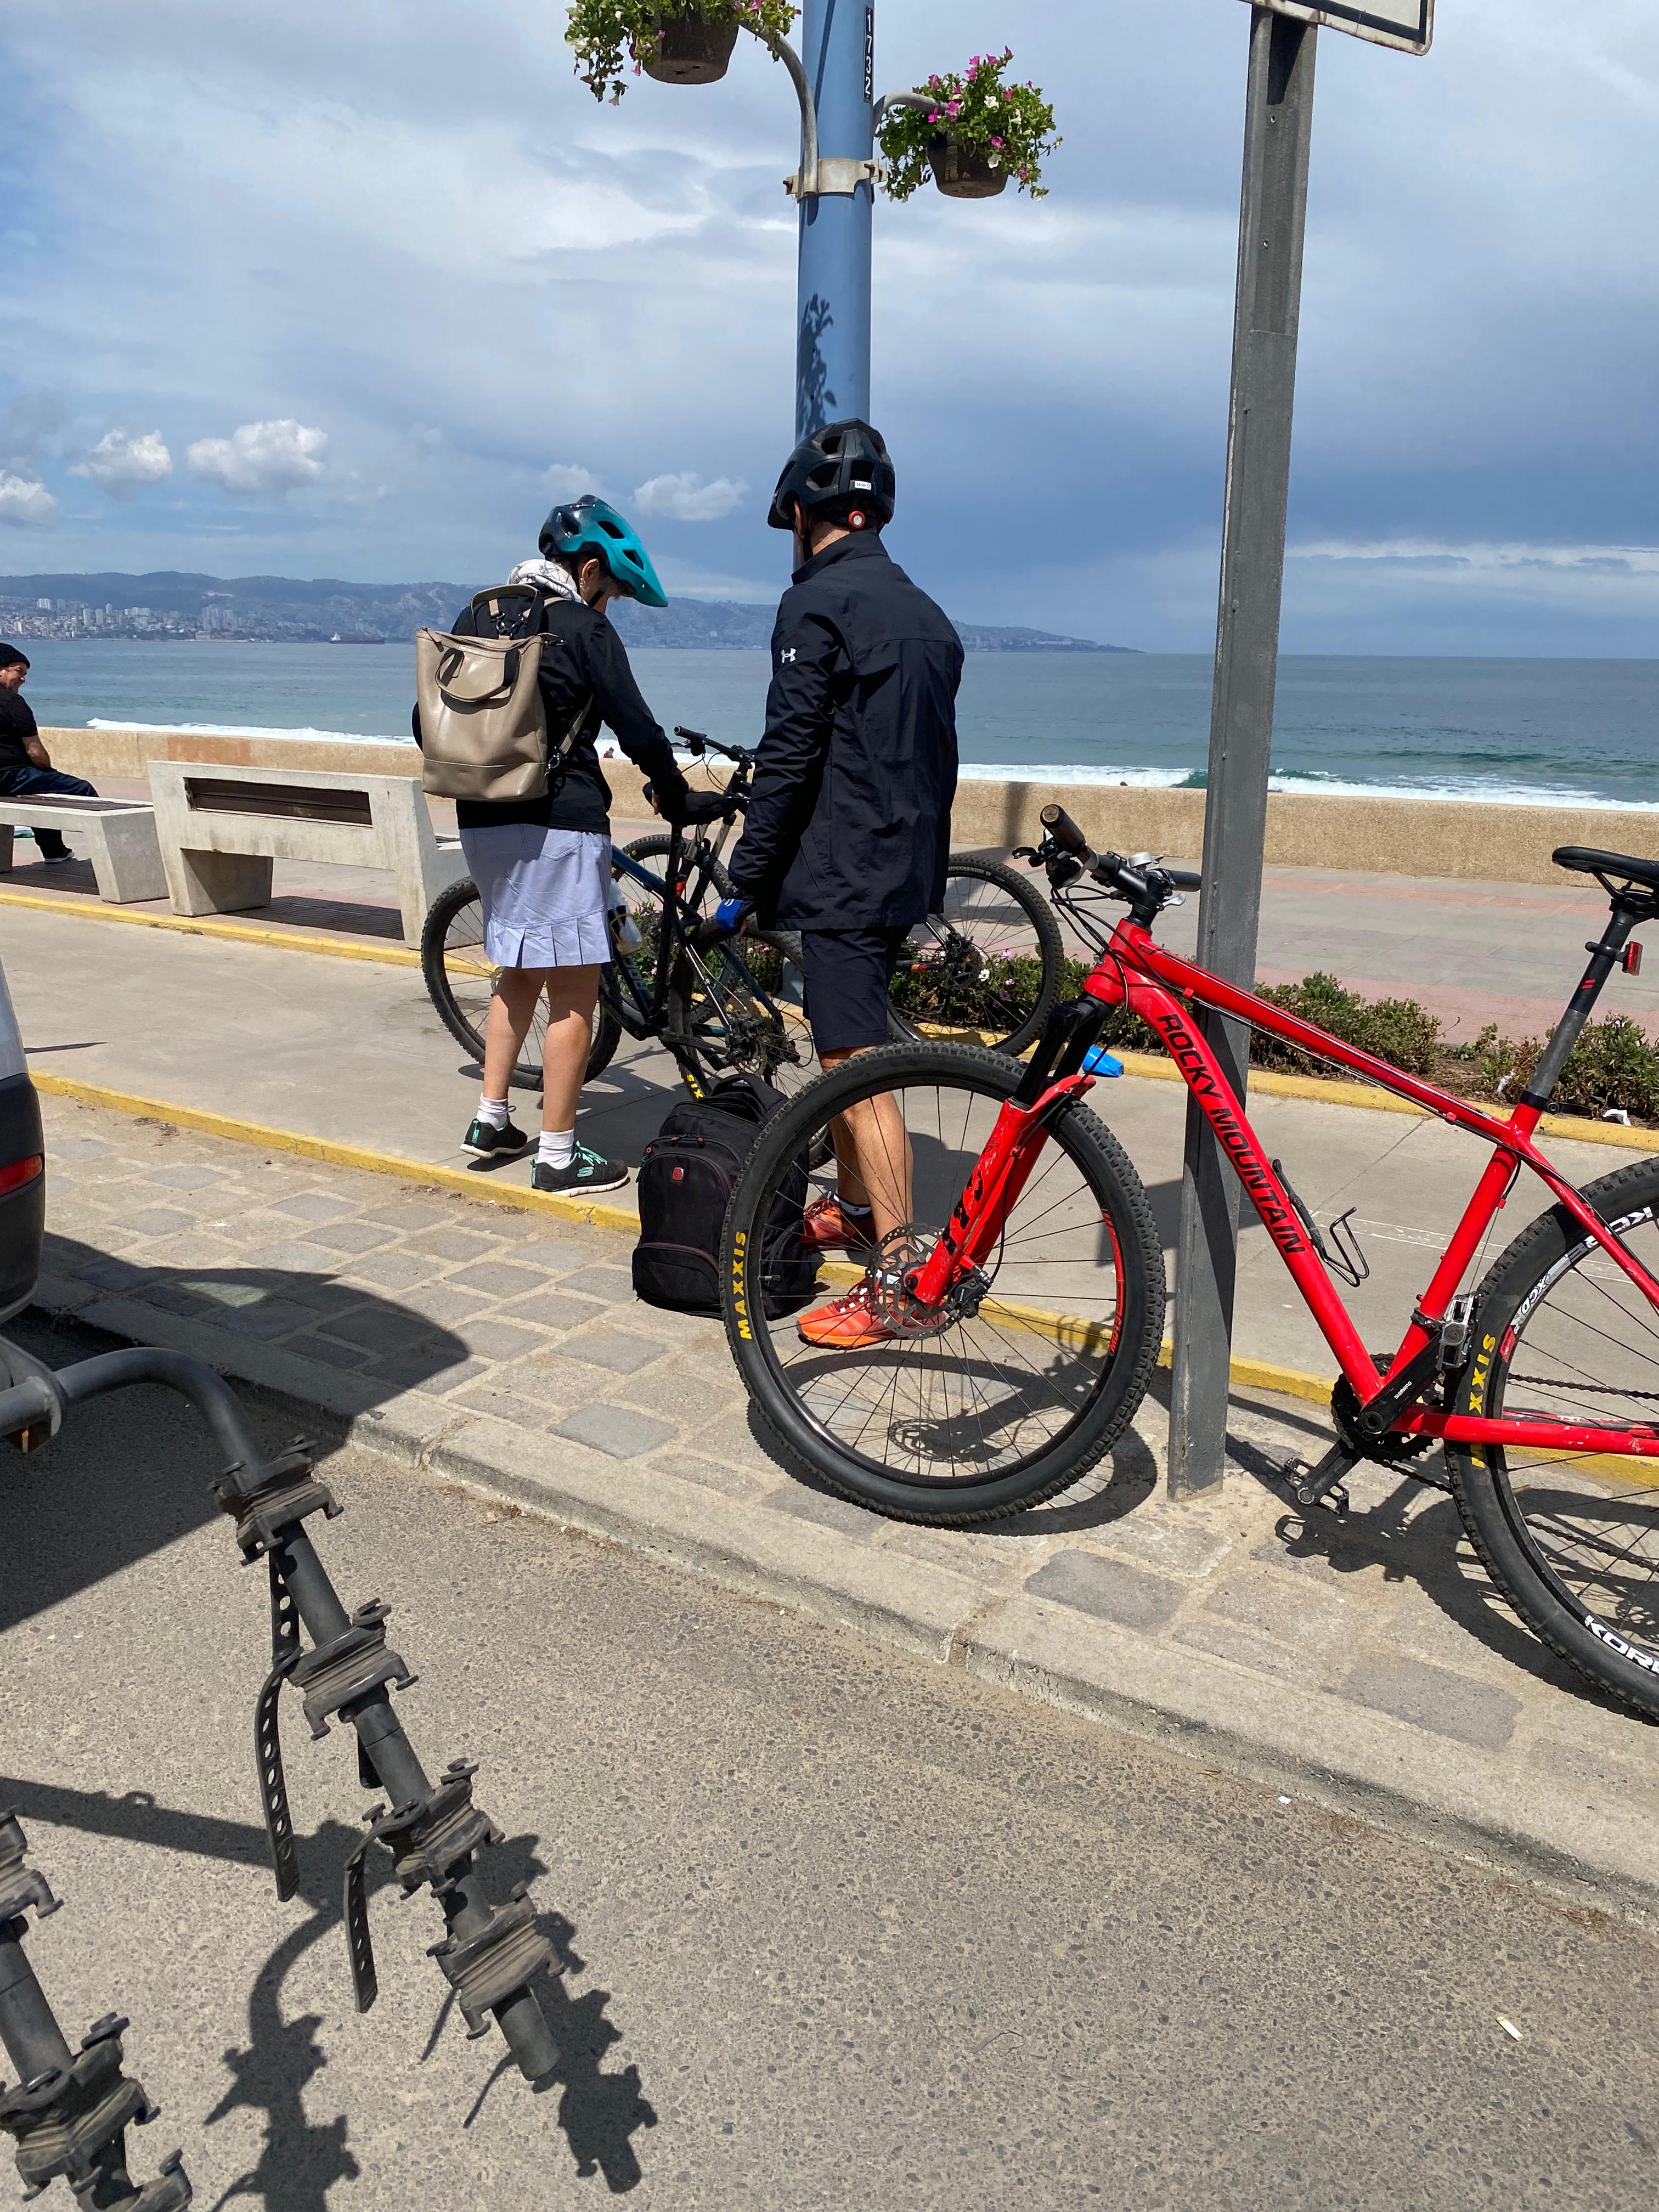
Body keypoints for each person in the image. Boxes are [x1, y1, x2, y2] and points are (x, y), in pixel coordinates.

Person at [721, 420, 963, 1348]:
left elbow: (788, 755)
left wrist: (744, 879)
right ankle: (861, 1215)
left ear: (796, 513)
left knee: (853, 1068)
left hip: (842, 869)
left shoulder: (813, 605)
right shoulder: (925, 612)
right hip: (906, 861)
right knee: (850, 1032)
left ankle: (904, 1276)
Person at [435, 497, 725, 1195]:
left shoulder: (477, 617)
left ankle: (492, 1116)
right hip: (558, 824)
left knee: (517, 969)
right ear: (589, 568)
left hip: (482, 819)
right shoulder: (581, 628)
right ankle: (559, 1155)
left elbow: (428, 718)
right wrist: (676, 793)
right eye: (614, 590)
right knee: (574, 990)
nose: (612, 604)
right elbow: (638, 727)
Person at [0, 646, 100, 864]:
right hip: (9, 777)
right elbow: (35, 752)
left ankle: (55, 851)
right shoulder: (12, 703)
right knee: (81, 788)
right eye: (19, 671)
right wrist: (47, 769)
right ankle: (112, 852)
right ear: (1, 671)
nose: (24, 679)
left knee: (40, 791)